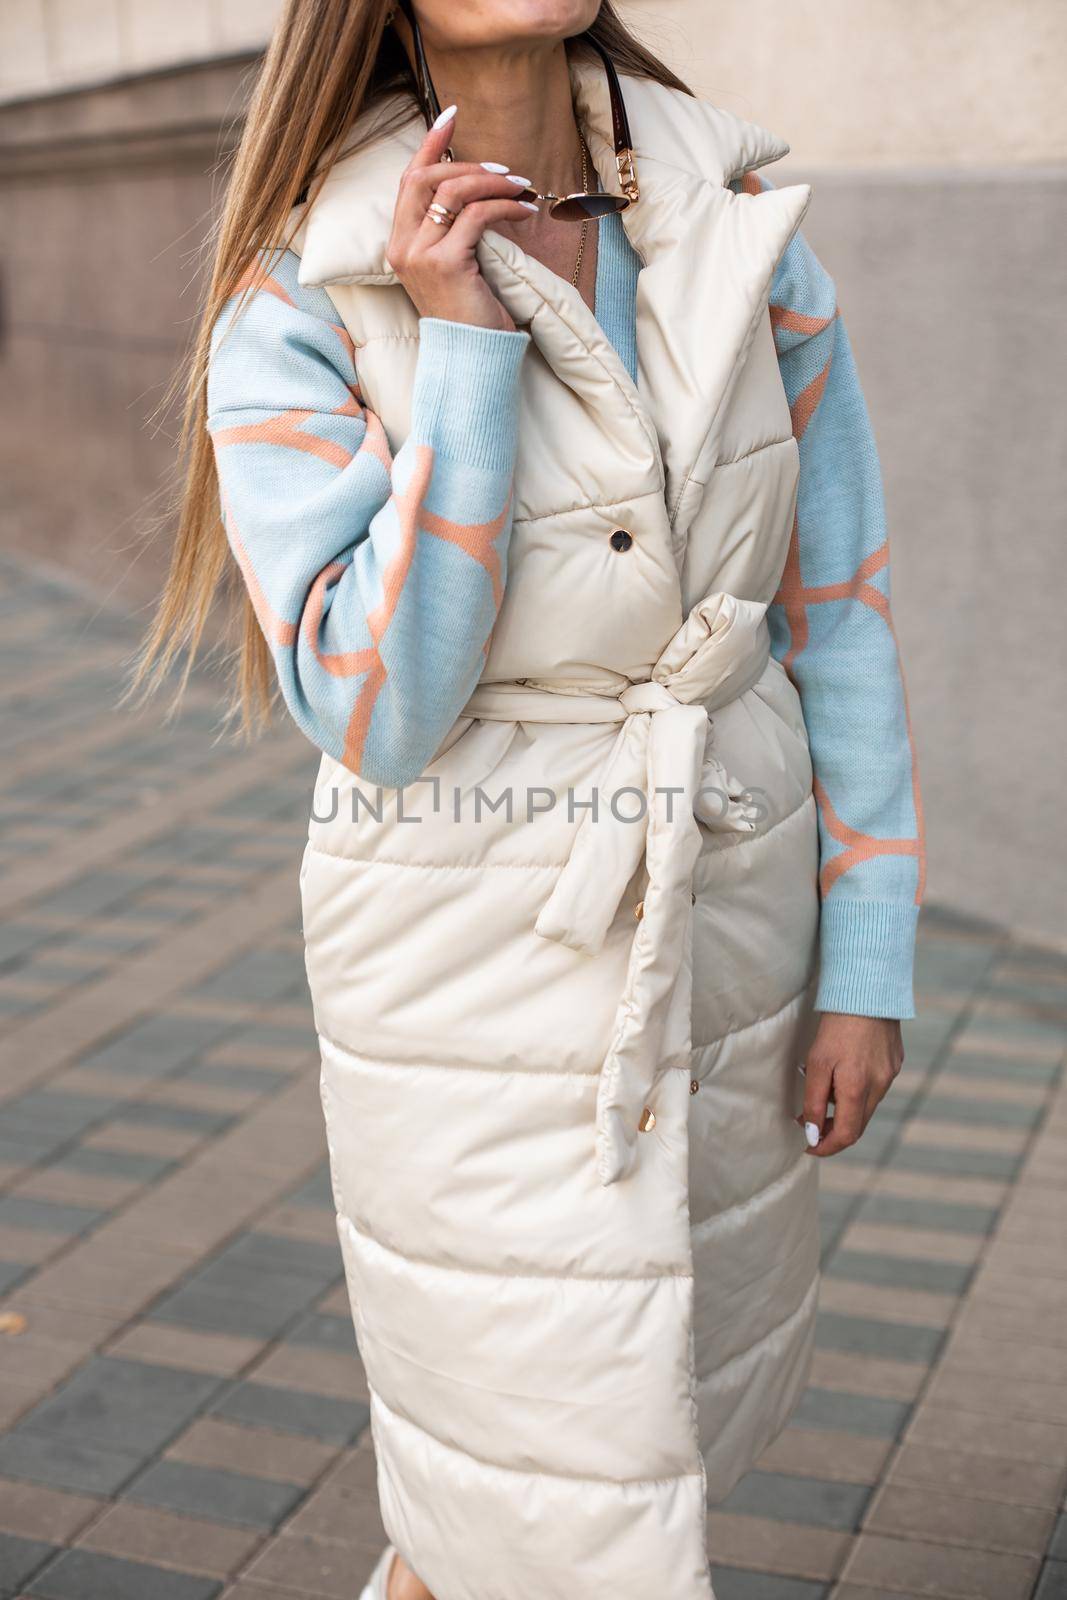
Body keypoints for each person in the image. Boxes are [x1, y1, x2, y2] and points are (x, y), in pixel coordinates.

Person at [135, 2, 925, 1596]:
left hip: (724, 911)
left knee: (631, 1445)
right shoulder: (304, 284)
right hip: (462, 951)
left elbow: (835, 606)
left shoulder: (737, 221)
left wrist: (871, 959)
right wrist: (468, 356)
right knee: (511, 1484)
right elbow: (377, 703)